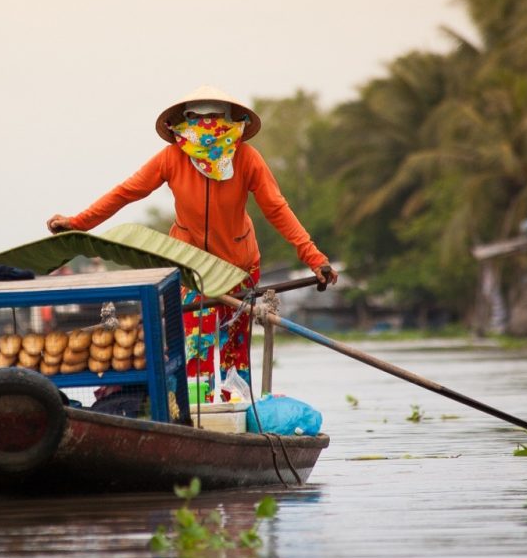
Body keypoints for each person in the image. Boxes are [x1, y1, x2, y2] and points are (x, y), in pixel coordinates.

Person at [46, 85, 336, 403]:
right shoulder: (172, 157)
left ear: (230, 123)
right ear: (183, 126)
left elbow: (276, 209)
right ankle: (195, 409)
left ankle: (234, 407)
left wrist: (314, 258)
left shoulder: (247, 158)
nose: (207, 129)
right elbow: (126, 192)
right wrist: (78, 223)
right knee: (194, 341)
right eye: (197, 120)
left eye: (214, 119)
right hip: (190, 267)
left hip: (240, 267)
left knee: (234, 350)